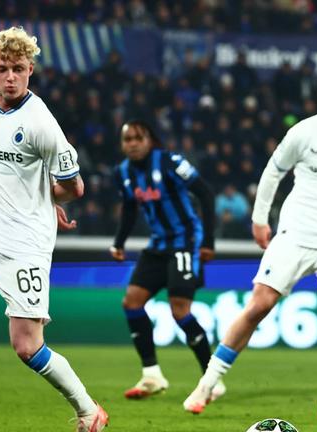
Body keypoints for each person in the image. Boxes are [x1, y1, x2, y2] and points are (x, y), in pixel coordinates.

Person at [182, 67, 317, 419]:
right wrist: (259, 218)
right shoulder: (304, 132)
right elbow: (273, 172)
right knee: (258, 306)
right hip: (296, 233)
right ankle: (207, 383)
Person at [0, 27, 108, 432]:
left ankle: (89, 411)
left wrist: (47, 198)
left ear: (30, 71)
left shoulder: (41, 123)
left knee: (26, 346)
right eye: (2, 69)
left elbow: (75, 187)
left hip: (25, 243)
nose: (9, 77)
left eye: (17, 69)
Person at [110, 119, 222, 401]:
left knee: (179, 309)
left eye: (138, 138)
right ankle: (152, 375)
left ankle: (211, 379)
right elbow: (129, 209)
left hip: (185, 241)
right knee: (132, 303)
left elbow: (206, 193)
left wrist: (208, 241)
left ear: (149, 140)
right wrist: (119, 242)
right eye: (127, 140)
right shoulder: (123, 172)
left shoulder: (170, 161)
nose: (133, 144)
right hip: (157, 246)